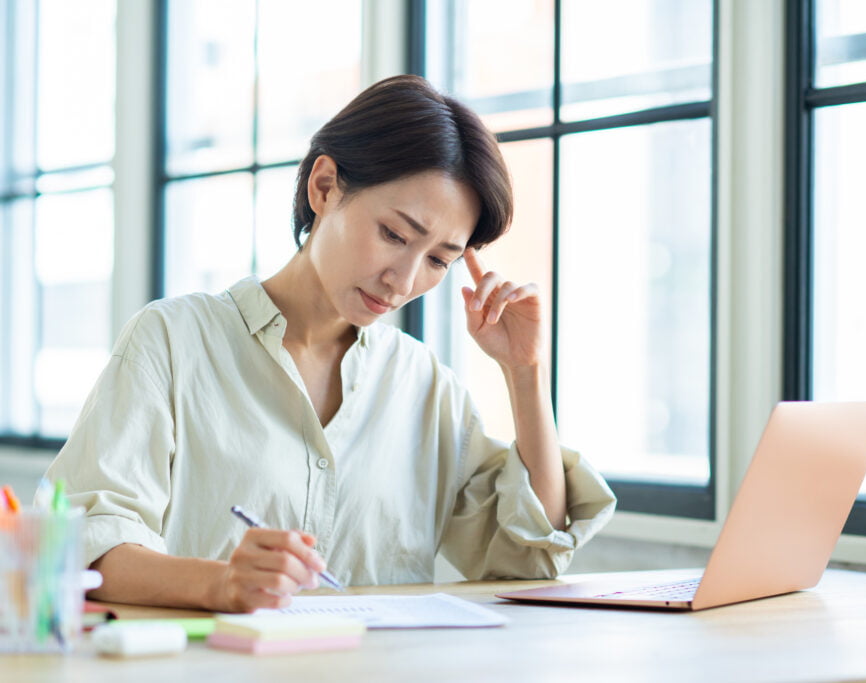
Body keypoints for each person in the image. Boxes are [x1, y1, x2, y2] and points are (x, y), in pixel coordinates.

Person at [46, 75, 615, 613]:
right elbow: (83, 546)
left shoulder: (423, 387)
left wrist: (524, 373)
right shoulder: (173, 343)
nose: (404, 280)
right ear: (324, 187)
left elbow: (529, 558)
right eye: (394, 234)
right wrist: (223, 582)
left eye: (438, 260)